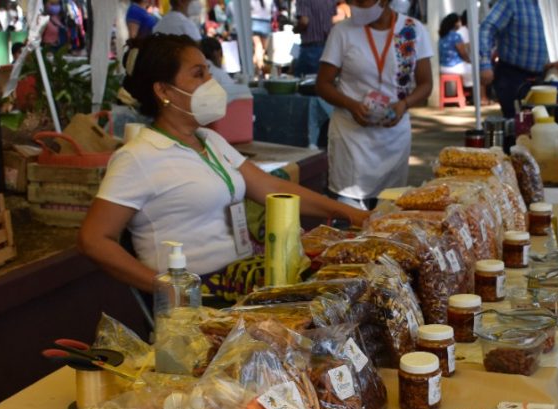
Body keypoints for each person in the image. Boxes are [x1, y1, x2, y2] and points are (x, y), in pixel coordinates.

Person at [79, 34, 369, 292]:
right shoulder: (138, 157)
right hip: (201, 297)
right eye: (198, 74)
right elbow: (94, 239)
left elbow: (270, 187)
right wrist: (166, 289)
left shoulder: (209, 140)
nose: (211, 82)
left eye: (208, 71)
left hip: (242, 279)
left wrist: (352, 215)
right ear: (164, 91)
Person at [316, 0, 433, 208]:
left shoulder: (413, 30)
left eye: (362, 1)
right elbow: (323, 84)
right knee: (349, 217)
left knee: (387, 215)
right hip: (352, 139)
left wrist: (404, 104)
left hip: (393, 140)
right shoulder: (342, 32)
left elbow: (426, 84)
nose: (356, 5)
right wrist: (351, 105)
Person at [477, 0, 548, 118]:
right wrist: (485, 63)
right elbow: (487, 28)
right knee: (518, 124)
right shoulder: (511, 2)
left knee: (537, 125)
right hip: (512, 77)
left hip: (540, 78)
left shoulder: (546, 6)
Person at [294, 0, 339, 76]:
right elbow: (332, 20)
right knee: (323, 82)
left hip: (310, 48)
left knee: (304, 83)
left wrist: (295, 29)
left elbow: (304, 21)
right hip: (328, 47)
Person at [200, 36, 251, 101]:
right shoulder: (218, 73)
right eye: (221, 54)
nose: (221, 58)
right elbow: (233, 93)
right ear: (216, 53)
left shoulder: (197, 72)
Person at [438, 13, 471, 86]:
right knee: (476, 70)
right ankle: (476, 93)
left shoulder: (442, 36)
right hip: (454, 67)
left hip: (442, 67)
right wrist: (470, 61)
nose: (460, 23)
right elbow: (463, 54)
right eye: (459, 21)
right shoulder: (456, 36)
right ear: (455, 23)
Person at [251, 0, 275, 77]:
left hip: (254, 22)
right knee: (262, 49)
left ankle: (257, 69)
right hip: (266, 23)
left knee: (259, 48)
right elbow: (274, 10)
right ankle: (261, 70)